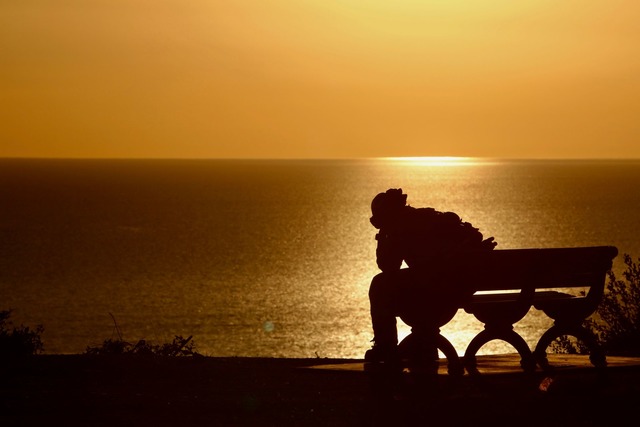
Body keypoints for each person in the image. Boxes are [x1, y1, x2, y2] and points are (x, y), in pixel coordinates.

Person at [365, 188, 497, 367]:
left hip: (436, 290)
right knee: (402, 284)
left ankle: (385, 346)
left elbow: (388, 267)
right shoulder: (428, 217)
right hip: (457, 287)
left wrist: (383, 235)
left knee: (379, 284)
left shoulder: (401, 227)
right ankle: (422, 347)